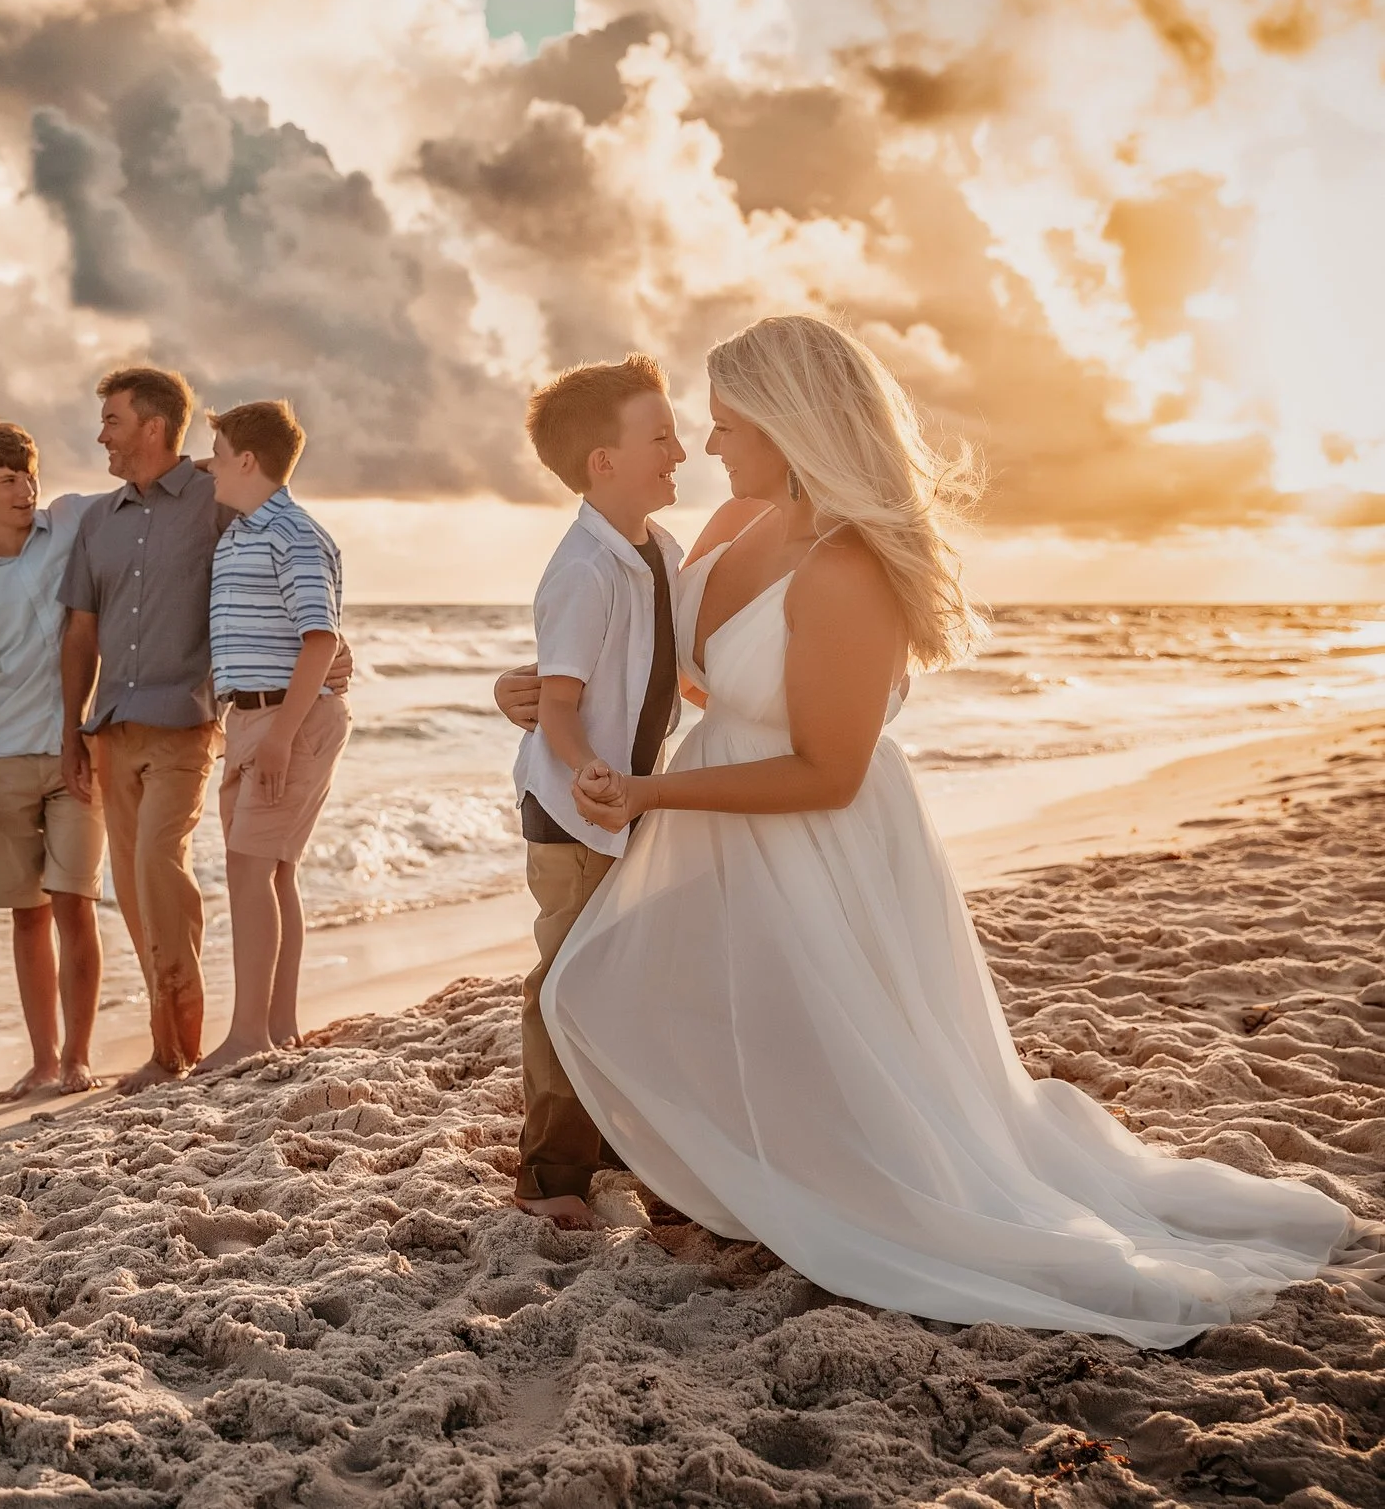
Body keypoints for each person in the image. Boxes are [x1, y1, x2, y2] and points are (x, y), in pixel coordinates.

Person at [547, 314, 1359, 1346]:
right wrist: (548, 691)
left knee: (819, 1031)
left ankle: (814, 1195)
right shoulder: (722, 531)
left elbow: (826, 770)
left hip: (810, 830)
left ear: (788, 424)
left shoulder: (847, 570)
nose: (709, 447)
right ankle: (730, 1186)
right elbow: (699, 678)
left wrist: (653, 796)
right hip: (718, 804)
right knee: (688, 997)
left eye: (726, 425)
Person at [57, 366, 353, 1094]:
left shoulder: (241, 511)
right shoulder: (143, 517)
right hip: (184, 719)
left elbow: (314, 616)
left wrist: (316, 678)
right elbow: (83, 629)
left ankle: (236, 1034)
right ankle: (266, 1026)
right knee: (238, 873)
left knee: (228, 868)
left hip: (232, 720)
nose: (102, 435)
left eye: (114, 420)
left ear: (154, 427)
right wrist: (73, 729)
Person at [499, 355, 687, 1227]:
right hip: (574, 811)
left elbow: (680, 676)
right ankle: (552, 1178)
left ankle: (618, 1147)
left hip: (629, 803)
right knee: (566, 984)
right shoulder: (581, 571)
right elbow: (559, 708)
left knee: (623, 973)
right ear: (602, 461)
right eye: (660, 437)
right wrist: (585, 768)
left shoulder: (660, 551)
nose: (680, 451)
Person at [0, 418, 105, 1103]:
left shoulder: (66, 523)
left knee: (76, 903)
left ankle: (78, 1058)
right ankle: (42, 1061)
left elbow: (147, 491)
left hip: (79, 752)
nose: (24, 488)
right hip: (3, 762)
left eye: (29, 474)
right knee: (27, 914)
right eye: (7, 479)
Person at [194, 400, 349, 1075]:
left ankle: (249, 1033)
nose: (212, 468)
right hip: (251, 716)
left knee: (249, 867)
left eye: (222, 456)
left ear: (249, 461)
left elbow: (322, 636)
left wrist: (282, 735)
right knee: (271, 868)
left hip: (290, 715)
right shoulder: (242, 530)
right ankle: (277, 1025)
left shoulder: (291, 532)